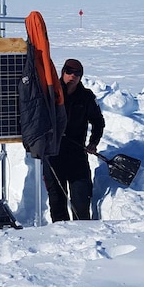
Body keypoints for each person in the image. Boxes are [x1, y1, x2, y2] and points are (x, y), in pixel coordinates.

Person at [43, 59, 105, 221]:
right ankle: (62, 238)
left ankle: (85, 239)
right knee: (57, 203)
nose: (72, 76)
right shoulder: (50, 93)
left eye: (77, 73)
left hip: (77, 157)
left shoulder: (86, 97)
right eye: (69, 72)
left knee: (81, 202)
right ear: (62, 72)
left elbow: (98, 121)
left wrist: (93, 142)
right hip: (53, 156)